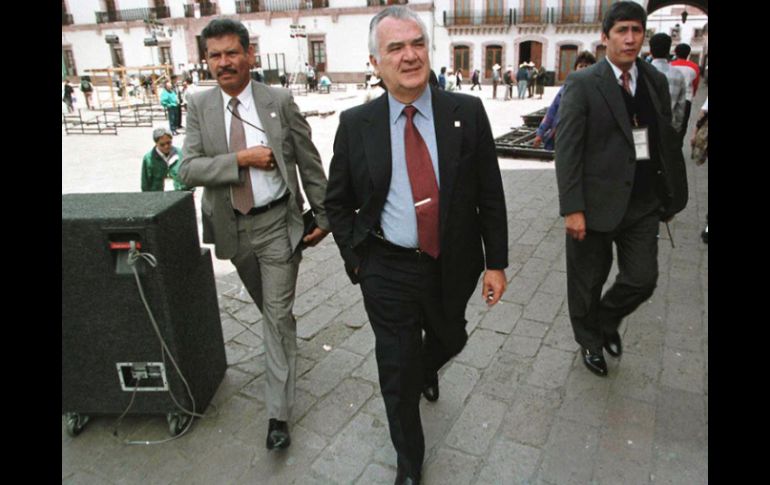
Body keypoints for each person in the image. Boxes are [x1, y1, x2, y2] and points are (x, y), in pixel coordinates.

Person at [324, 6, 508, 484]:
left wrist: (496, 263)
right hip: (386, 267)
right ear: (375, 62)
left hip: (452, 262)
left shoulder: (466, 113)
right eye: (395, 48)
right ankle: (409, 462)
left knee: (453, 339)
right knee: (397, 371)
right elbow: (337, 202)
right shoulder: (357, 124)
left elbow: (490, 192)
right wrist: (357, 260)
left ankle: (427, 368)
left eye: (417, 43)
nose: (410, 55)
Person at [179, 18, 330, 451]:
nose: (223, 63)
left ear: (249, 54)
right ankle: (284, 344)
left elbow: (308, 160)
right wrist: (241, 160)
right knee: (271, 311)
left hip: (277, 224)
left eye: (231, 53)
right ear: (206, 60)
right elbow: (187, 169)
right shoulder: (199, 105)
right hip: (233, 229)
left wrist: (325, 215)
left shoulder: (277, 100)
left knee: (276, 316)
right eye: (215, 55)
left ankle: (277, 415)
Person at [555, 1, 688, 378]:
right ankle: (590, 341)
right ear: (605, 37)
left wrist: (668, 192)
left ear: (644, 35)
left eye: (636, 31)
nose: (630, 39)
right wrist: (572, 208)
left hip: (642, 203)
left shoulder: (654, 80)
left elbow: (662, 140)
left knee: (642, 278)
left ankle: (605, 319)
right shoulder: (583, 83)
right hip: (594, 205)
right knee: (586, 283)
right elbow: (567, 150)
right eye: (622, 31)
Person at [533, 51, 596, 150]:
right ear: (575, 69)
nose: (583, 69)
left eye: (587, 66)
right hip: (563, 136)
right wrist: (540, 133)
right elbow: (552, 110)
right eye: (581, 66)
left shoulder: (597, 91)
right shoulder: (566, 88)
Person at [649, 33, 687, 134]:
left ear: (650, 51)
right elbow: (680, 107)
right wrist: (676, 128)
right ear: (668, 51)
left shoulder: (642, 72)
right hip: (668, 127)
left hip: (646, 128)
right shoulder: (678, 74)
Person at [141, 127, 190, 192]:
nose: (166, 146)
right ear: (156, 143)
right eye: (162, 144)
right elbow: (145, 183)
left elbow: (189, 176)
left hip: (179, 193)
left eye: (168, 143)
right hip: (158, 194)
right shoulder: (148, 159)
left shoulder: (181, 154)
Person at [670, 43, 700, 143]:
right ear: (688, 54)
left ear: (676, 53)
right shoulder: (694, 67)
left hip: (671, 97)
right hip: (687, 98)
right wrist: (692, 94)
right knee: (683, 124)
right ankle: (679, 144)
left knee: (669, 121)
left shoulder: (670, 65)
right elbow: (695, 84)